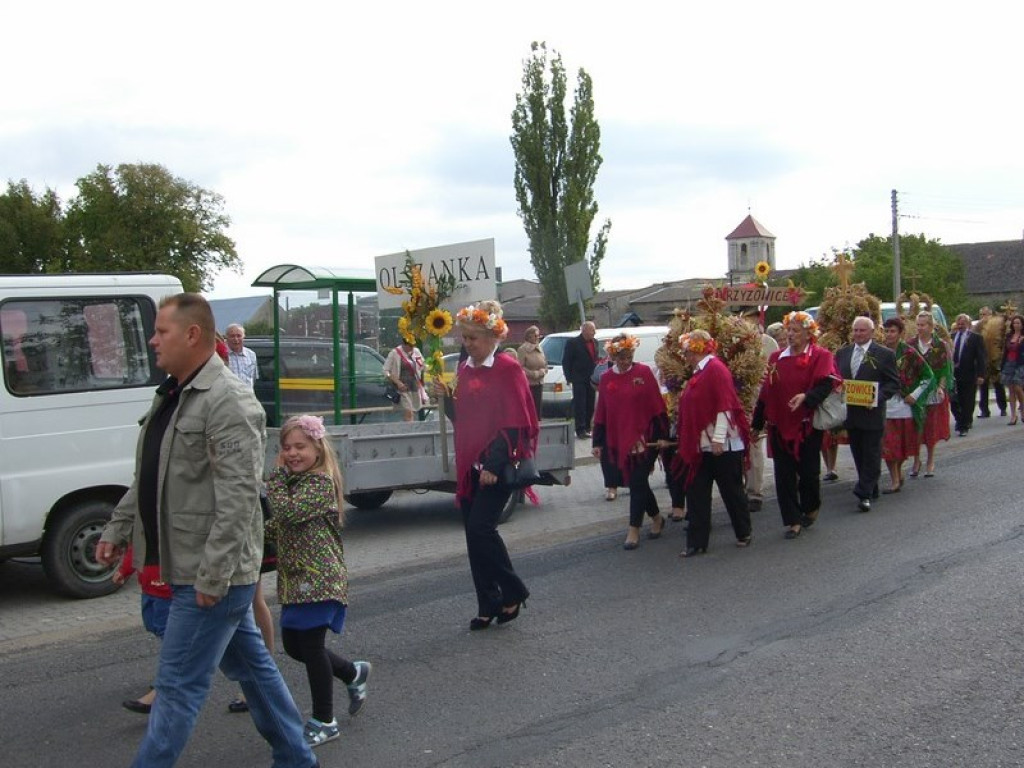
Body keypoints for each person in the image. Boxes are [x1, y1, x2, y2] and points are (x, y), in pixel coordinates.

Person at [95, 293, 317, 768]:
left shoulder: (229, 401)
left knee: (176, 686)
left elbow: (239, 501)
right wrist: (117, 528)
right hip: (191, 568)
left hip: (209, 575)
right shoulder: (172, 395)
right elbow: (149, 475)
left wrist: (213, 577)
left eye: (162, 331)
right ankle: (298, 758)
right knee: (253, 669)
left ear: (192, 334)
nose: (152, 341)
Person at [266, 414, 371, 747]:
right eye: (286, 448)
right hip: (297, 580)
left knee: (310, 647)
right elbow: (280, 525)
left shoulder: (319, 482)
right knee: (295, 647)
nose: (293, 453)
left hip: (320, 579)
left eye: (300, 446)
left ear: (318, 448)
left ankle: (325, 720)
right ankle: (352, 673)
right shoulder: (296, 484)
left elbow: (286, 513)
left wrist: (277, 476)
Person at [437, 300, 536, 631]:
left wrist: (494, 463)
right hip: (470, 465)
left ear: (492, 338)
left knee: (481, 529)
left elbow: (515, 422)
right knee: (473, 535)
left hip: (496, 464)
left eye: (473, 338)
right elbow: (461, 418)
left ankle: (513, 590)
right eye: (464, 338)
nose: (467, 344)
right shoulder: (465, 369)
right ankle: (488, 602)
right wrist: (446, 397)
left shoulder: (508, 368)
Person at [751, 311, 839, 538]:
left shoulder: (821, 355)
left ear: (809, 334)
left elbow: (826, 383)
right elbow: (766, 392)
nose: (790, 335)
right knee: (784, 474)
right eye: (788, 330)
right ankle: (792, 520)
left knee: (808, 474)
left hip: (806, 425)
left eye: (795, 331)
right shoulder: (776, 358)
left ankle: (810, 507)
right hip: (778, 425)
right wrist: (757, 422)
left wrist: (806, 398)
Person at [673, 331, 752, 557]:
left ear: (698, 349)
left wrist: (718, 438)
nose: (685, 356)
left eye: (688, 351)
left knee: (731, 490)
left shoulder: (716, 369)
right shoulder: (700, 372)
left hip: (721, 445)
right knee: (696, 492)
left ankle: (743, 531)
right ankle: (696, 541)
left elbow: (724, 405)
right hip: (701, 445)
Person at [591, 333, 669, 550]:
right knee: (638, 482)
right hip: (619, 438)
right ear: (613, 356)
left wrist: (662, 435)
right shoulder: (606, 379)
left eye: (628, 356)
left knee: (637, 481)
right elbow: (602, 413)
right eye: (620, 357)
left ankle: (633, 528)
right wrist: (597, 442)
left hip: (646, 438)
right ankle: (656, 517)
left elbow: (657, 405)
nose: (624, 361)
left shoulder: (643, 372)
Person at [835, 316, 901, 512]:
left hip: (872, 414)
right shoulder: (843, 353)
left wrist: (877, 398)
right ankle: (871, 487)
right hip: (852, 414)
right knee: (859, 453)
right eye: (855, 330)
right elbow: (838, 378)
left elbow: (893, 384)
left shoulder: (884, 354)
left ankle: (863, 493)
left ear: (872, 333)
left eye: (862, 331)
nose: (858, 334)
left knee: (872, 453)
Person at [114, 543, 172, 715]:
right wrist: (123, 570)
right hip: (149, 589)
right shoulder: (146, 523)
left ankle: (164, 685)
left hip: (168, 592)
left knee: (170, 638)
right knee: (154, 626)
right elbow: (137, 547)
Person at [880, 318, 936, 494]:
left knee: (901, 447)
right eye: (886, 331)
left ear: (900, 333)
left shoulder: (909, 353)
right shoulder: (877, 353)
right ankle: (895, 479)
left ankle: (898, 472)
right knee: (888, 446)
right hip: (884, 405)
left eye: (892, 331)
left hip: (904, 406)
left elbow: (928, 376)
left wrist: (915, 394)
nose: (889, 334)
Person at [911, 311, 953, 478]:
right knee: (916, 427)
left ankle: (930, 460)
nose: (920, 328)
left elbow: (945, 369)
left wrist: (941, 387)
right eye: (918, 325)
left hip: (934, 390)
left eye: (923, 325)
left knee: (931, 427)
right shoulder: (911, 344)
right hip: (916, 391)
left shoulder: (940, 345)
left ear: (931, 326)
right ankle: (916, 460)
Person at [746, 322, 779, 513]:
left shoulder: (768, 343)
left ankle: (754, 492)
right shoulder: (728, 341)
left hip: (756, 400)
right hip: (737, 400)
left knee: (754, 445)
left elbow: (772, 374)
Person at [950, 313, 987, 436]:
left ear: (969, 324)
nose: (960, 326)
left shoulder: (975, 338)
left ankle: (964, 424)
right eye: (959, 324)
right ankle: (960, 420)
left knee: (968, 400)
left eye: (963, 324)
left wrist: (981, 374)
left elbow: (981, 357)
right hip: (954, 373)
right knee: (954, 400)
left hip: (969, 373)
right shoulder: (952, 337)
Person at [562, 320, 599, 439]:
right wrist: (568, 377)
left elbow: (595, 359)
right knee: (580, 404)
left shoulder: (595, 342)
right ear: (584, 330)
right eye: (592, 330)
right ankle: (580, 429)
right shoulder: (573, 343)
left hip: (591, 378)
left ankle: (588, 427)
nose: (594, 332)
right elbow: (566, 361)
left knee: (590, 403)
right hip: (578, 378)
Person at [383, 338, 428, 421]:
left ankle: (410, 428)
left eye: (413, 346)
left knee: (412, 411)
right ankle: (409, 430)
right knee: (408, 411)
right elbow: (386, 371)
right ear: (404, 344)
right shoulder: (395, 353)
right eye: (410, 346)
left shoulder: (416, 351)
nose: (411, 348)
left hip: (414, 387)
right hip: (401, 388)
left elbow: (423, 366)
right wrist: (397, 382)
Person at [975, 306, 1007, 418]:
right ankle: (984, 410)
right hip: (983, 360)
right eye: (981, 315)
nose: (983, 317)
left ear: (990, 314)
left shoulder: (997, 325)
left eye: (985, 314)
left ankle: (1003, 408)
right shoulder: (978, 327)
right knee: (983, 385)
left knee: (998, 384)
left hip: (995, 358)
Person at [516, 325, 548, 418]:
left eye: (538, 336)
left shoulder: (540, 348)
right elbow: (520, 367)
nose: (537, 338)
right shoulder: (522, 349)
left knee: (538, 408)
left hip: (539, 382)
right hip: (529, 384)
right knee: (530, 408)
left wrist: (543, 371)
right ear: (529, 336)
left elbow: (545, 363)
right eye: (535, 335)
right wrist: (533, 374)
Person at [1001, 315, 1024, 425]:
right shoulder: (1009, 336)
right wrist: (1002, 364)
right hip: (1009, 363)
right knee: (1010, 389)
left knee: (1018, 387)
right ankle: (1013, 415)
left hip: (1020, 364)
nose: (1016, 325)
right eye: (1014, 323)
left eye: (1018, 323)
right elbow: (1005, 351)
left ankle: (1023, 409)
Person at [225, 322, 259, 388]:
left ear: (243, 337)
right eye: (232, 336)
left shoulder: (251, 355)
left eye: (239, 336)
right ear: (226, 337)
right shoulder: (220, 355)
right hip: (228, 397)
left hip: (247, 396)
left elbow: (253, 378)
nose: (236, 339)